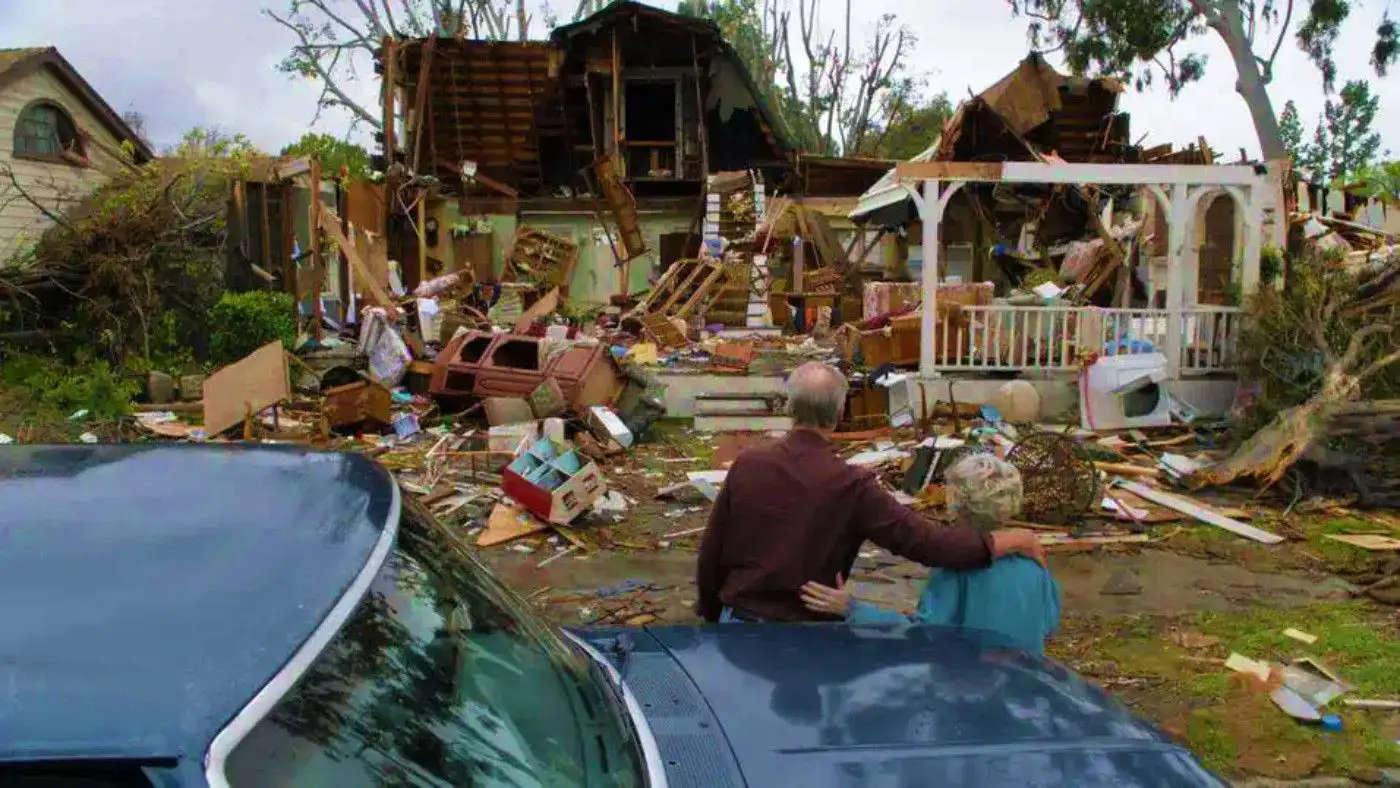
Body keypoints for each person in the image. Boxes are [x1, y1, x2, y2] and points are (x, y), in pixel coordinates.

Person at [695, 361, 1046, 623]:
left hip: (738, 624)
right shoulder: (850, 485)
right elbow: (930, 544)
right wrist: (1017, 539)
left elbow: (711, 551)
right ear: (839, 413)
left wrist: (710, 614)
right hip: (808, 636)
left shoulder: (749, 465)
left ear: (789, 408)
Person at [799, 453, 1062, 655]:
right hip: (1023, 688)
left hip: (973, 688)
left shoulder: (957, 568)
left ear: (956, 503)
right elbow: (1049, 625)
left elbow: (924, 632)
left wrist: (852, 608)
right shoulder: (1034, 565)